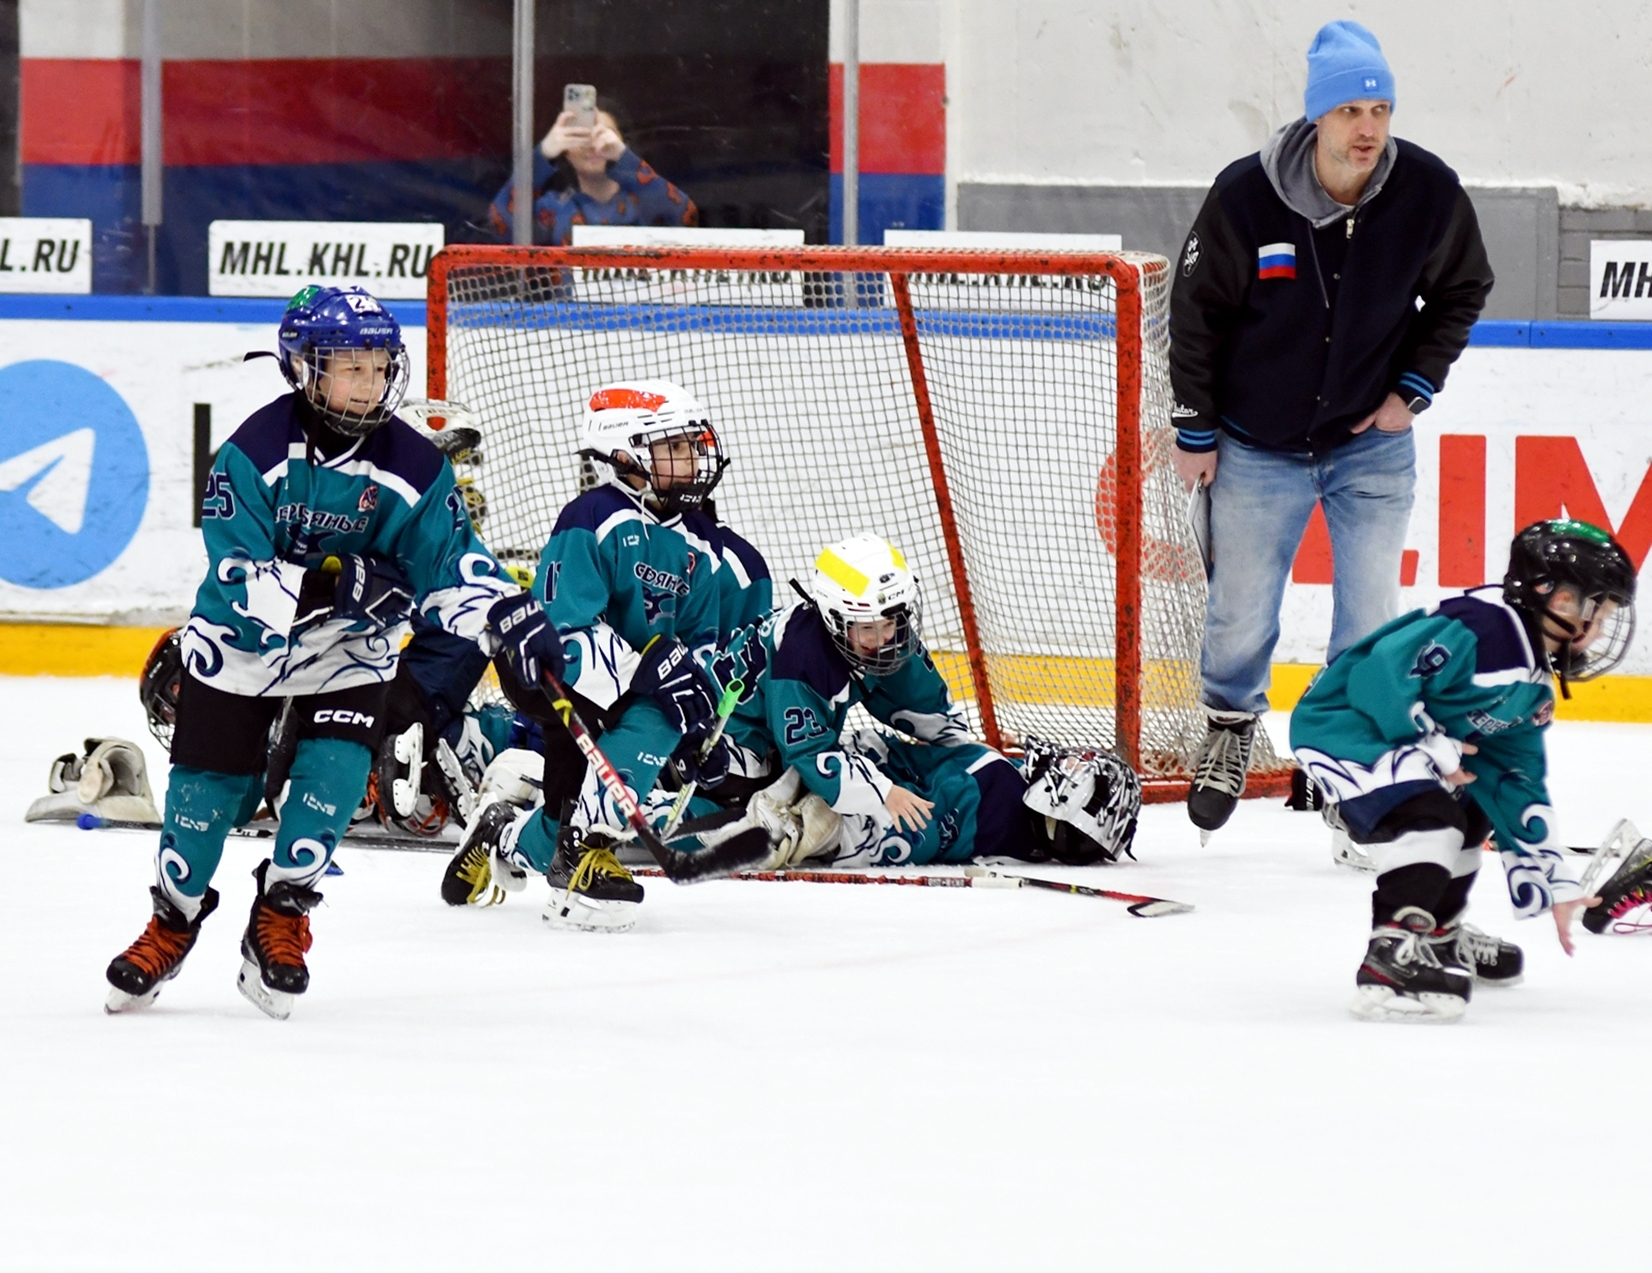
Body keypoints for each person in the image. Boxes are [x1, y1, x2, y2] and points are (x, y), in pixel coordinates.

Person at [102, 285, 522, 1019]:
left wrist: (514, 615)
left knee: (331, 781)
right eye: (349, 367)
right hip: (241, 648)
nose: (369, 382)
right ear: (304, 369)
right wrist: (343, 584)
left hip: (349, 653)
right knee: (205, 802)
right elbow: (237, 578)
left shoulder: (417, 466)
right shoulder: (253, 453)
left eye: (379, 366)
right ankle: (172, 920)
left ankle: (283, 914)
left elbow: (450, 562)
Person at [1168, 20, 1494, 837]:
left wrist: (1412, 390)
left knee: (1369, 616)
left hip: (1370, 445)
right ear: (1318, 117)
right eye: (1350, 109)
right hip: (1255, 442)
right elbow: (1196, 315)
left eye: (1380, 107)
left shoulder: (1426, 191)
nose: (1369, 128)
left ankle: (1345, 759)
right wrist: (1195, 427)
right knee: (1240, 612)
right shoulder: (1246, 197)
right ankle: (1231, 729)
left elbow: (1465, 287)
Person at [1290, 519, 1635, 1022]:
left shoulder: (1532, 679)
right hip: (1345, 725)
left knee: (1476, 808)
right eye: (1594, 611)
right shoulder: (1483, 626)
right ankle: (1394, 950)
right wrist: (1433, 744)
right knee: (1433, 819)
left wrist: (1556, 880)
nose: (1599, 630)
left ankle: (1439, 932)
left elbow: (1515, 780)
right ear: (1552, 597)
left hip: (1403, 737)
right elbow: (1377, 676)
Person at [440, 380, 739, 932]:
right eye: (673, 447)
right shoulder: (593, 516)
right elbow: (564, 626)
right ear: (626, 455)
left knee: (563, 809)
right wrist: (646, 675)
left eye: (691, 444)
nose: (692, 457)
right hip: (549, 672)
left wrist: (701, 728)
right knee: (656, 715)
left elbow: (700, 639)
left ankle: (504, 834)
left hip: (624, 686)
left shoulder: (699, 542)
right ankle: (587, 846)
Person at [679, 534, 1140, 871]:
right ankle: (708, 820)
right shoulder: (802, 655)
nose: (884, 639)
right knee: (766, 786)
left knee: (854, 761)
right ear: (834, 620)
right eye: (869, 628)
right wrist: (883, 792)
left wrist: (972, 759)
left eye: (892, 622)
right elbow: (812, 754)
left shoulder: (874, 635)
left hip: (767, 741)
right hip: (718, 744)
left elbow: (926, 709)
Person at [487, 104, 697, 246]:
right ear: (565, 151)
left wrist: (623, 158)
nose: (595, 146)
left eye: (605, 135)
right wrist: (542, 155)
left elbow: (684, 217)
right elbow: (500, 221)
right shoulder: (553, 209)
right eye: (582, 136)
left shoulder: (646, 204)